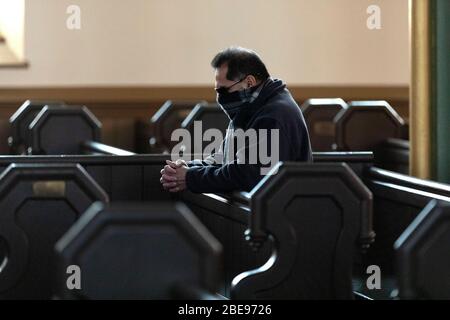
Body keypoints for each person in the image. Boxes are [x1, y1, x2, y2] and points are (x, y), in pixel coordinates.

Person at [160, 47, 312, 193]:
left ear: (249, 82)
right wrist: (187, 168)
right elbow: (223, 158)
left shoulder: (275, 114)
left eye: (224, 90)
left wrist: (190, 177)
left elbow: (247, 174)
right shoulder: (249, 107)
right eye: (217, 90)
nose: (220, 97)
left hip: (280, 214)